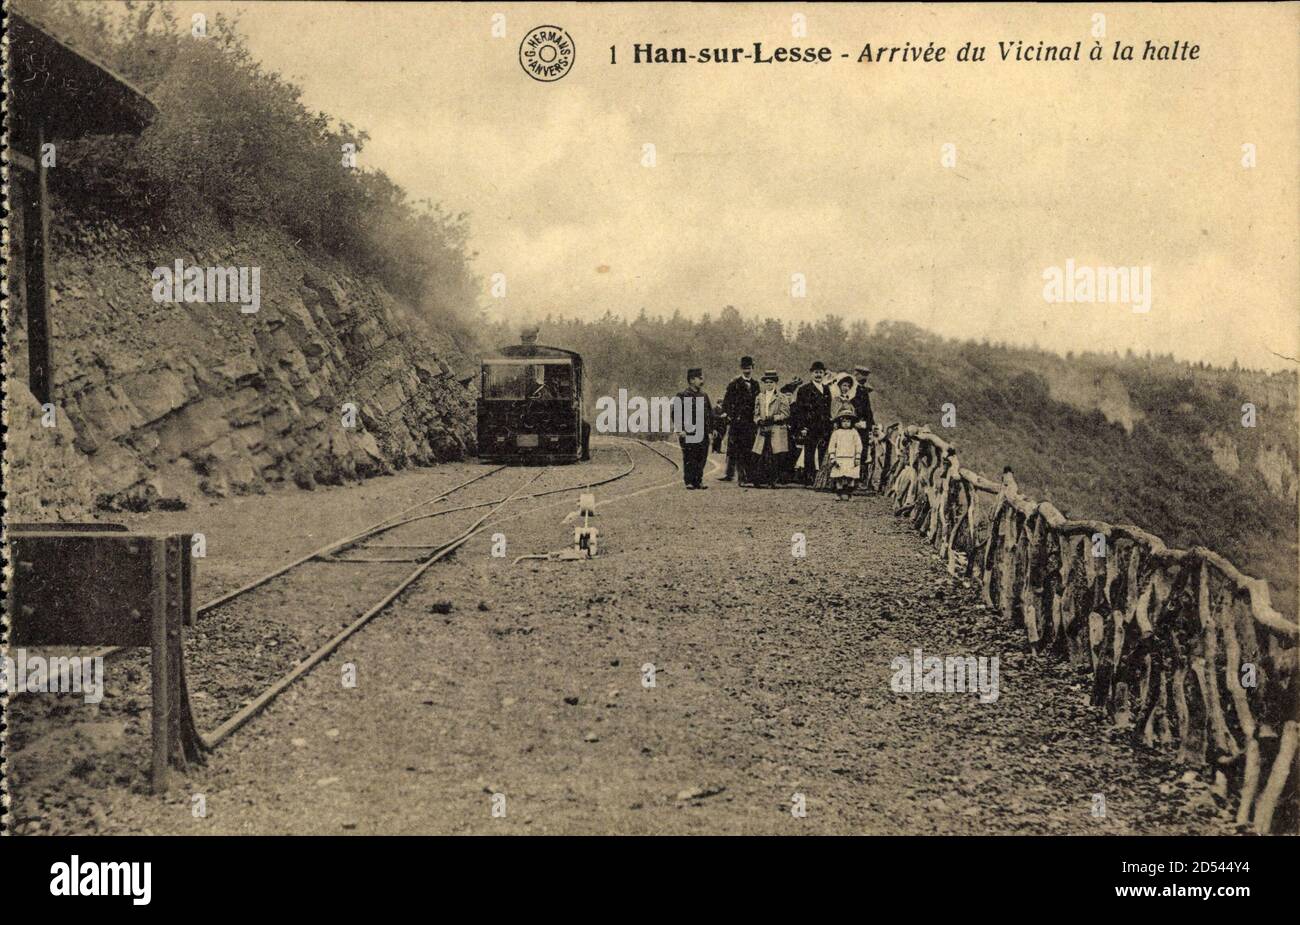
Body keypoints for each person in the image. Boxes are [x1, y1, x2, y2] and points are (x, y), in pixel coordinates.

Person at [720, 356, 759, 484]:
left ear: (753, 368)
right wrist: (731, 416)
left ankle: (744, 476)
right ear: (741, 369)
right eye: (744, 368)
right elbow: (726, 402)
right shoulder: (734, 384)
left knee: (748, 449)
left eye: (749, 368)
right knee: (737, 449)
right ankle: (741, 478)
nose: (747, 371)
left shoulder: (755, 384)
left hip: (750, 423)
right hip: (737, 422)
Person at [676, 368, 715, 489]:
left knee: (702, 456)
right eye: (700, 378)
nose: (702, 381)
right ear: (692, 380)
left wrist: (711, 430)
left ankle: (699, 480)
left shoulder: (704, 395)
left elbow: (709, 414)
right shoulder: (682, 395)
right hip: (688, 432)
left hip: (702, 432)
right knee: (689, 456)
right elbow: (676, 414)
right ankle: (689, 481)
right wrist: (680, 429)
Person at [794, 361, 832, 485]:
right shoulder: (804, 389)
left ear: (824, 374)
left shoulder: (827, 389)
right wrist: (802, 427)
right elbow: (799, 410)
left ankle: (820, 479)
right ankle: (808, 478)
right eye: (816, 372)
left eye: (820, 372)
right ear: (811, 374)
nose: (818, 375)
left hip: (824, 426)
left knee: (822, 451)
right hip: (810, 426)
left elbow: (829, 409)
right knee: (809, 452)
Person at [751, 370, 790, 488]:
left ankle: (772, 481)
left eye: (771, 382)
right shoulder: (760, 396)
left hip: (776, 428)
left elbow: (786, 413)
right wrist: (759, 420)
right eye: (766, 382)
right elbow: (756, 414)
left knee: (774, 455)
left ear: (776, 383)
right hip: (763, 428)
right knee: (760, 454)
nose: (769, 384)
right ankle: (758, 480)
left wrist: (774, 418)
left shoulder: (781, 397)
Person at [826, 412, 864, 500]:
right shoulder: (836, 433)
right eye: (844, 421)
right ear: (840, 422)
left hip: (851, 458)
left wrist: (858, 456)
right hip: (840, 458)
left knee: (851, 477)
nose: (846, 423)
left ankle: (849, 494)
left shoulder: (854, 433)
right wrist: (832, 456)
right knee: (839, 477)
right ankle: (838, 494)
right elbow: (832, 445)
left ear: (851, 422)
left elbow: (858, 445)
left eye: (848, 421)